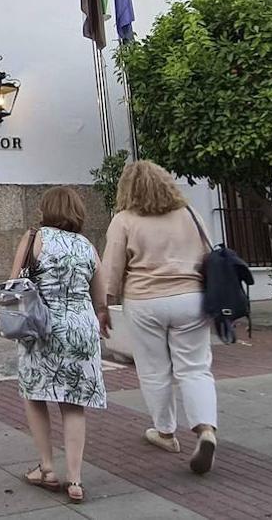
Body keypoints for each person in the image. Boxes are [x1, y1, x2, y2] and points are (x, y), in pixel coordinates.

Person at [102, 160, 219, 475]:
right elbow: (210, 253)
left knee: (154, 369)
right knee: (195, 367)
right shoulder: (190, 215)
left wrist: (103, 305)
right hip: (191, 298)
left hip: (145, 301)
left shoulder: (124, 220)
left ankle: (165, 432)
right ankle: (205, 429)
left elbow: (112, 268)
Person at [10, 187, 110, 505]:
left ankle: (47, 468)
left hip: (41, 326)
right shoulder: (87, 246)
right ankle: (76, 480)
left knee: (35, 394)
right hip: (81, 327)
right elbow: (101, 298)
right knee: (73, 403)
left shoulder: (34, 237)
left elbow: (14, 283)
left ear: (46, 210)